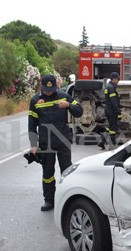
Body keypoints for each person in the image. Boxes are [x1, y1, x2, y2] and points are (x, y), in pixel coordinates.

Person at [28, 74, 83, 211]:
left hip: (63, 140)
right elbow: (31, 124)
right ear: (41, 86)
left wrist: (69, 105)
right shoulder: (35, 100)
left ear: (56, 86)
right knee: (47, 173)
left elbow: (79, 111)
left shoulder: (63, 96)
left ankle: (68, 200)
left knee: (67, 171)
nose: (49, 92)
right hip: (46, 142)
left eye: (51, 89)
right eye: (46, 90)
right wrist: (34, 144)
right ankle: (49, 201)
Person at [98, 72, 122, 150]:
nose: (118, 81)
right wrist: (118, 110)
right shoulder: (111, 87)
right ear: (114, 79)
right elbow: (113, 101)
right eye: (118, 79)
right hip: (112, 111)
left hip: (108, 110)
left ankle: (101, 142)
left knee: (110, 127)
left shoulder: (108, 86)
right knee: (113, 129)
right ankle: (112, 146)